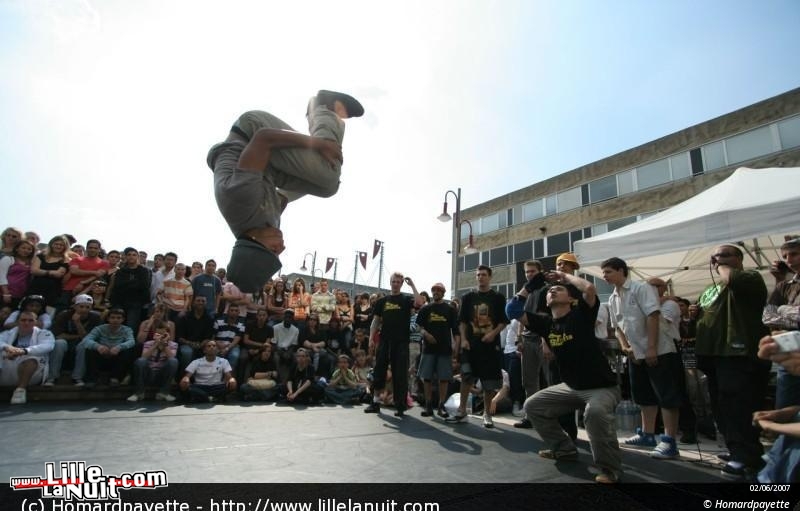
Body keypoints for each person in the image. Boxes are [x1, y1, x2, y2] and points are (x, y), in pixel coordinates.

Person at [207, 90, 364, 293]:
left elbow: (263, 138)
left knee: (328, 172)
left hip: (252, 132)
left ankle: (322, 109)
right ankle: (318, 152)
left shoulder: (240, 199)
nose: (282, 247)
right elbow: (288, 195)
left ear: (254, 242)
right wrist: (287, 194)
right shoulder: (267, 226)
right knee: (328, 188)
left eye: (274, 250)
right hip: (267, 169)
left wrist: (320, 144)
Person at [507, 270, 622, 484]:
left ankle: (610, 468)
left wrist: (563, 276)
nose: (552, 290)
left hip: (601, 388)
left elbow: (588, 289)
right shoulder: (545, 323)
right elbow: (512, 309)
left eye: (559, 290)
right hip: (571, 387)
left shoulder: (581, 315)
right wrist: (532, 285)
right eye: (550, 290)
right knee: (532, 406)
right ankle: (564, 449)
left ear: (570, 298)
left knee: (594, 413)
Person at [693, 244, 771, 480]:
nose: (718, 260)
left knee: (739, 406)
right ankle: (735, 449)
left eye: (725, 256)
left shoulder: (749, 277)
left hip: (738, 353)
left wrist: (724, 267)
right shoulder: (710, 288)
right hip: (714, 355)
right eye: (715, 257)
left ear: (739, 258)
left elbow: (731, 280)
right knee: (721, 405)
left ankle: (747, 456)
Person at [602, 257, 681, 460]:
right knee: (644, 395)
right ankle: (647, 435)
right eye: (604, 272)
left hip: (659, 350)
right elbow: (618, 327)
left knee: (666, 395)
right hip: (635, 354)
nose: (604, 276)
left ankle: (669, 441)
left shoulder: (640, 288)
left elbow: (652, 316)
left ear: (622, 271)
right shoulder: (612, 298)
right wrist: (625, 347)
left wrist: (652, 348)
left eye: (609, 271)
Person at [447, 266, 507, 428]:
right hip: (470, 346)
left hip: (490, 346)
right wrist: (464, 340)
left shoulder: (498, 298)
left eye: (484, 275)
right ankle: (461, 411)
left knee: (488, 382)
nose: (481, 277)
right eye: (478, 275)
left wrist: (493, 334)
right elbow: (462, 321)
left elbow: (503, 321)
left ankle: (487, 414)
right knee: (466, 378)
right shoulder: (468, 297)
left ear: (490, 277)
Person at [364, 273, 422, 417]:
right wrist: (371, 338)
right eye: (393, 281)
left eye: (398, 282)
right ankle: (375, 402)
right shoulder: (382, 301)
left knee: (400, 373)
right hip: (384, 340)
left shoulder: (406, 299)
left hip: (401, 341)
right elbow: (375, 321)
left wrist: (412, 285)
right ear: (390, 283)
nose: (395, 284)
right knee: (379, 371)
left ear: (401, 284)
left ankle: (400, 405)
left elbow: (420, 303)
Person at [415, 282, 459, 418]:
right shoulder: (425, 309)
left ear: (443, 293)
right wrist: (426, 334)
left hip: (445, 349)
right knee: (426, 378)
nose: (436, 292)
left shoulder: (450, 309)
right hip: (428, 349)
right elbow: (418, 327)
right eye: (434, 290)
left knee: (444, 379)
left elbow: (456, 331)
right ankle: (428, 406)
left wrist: (456, 346)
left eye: (439, 290)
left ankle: (441, 406)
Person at [0, 310, 55, 404]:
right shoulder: (7, 333)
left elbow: (47, 346)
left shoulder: (45, 333)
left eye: (30, 320)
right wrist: (8, 347)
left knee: (32, 359)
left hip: (32, 373)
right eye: (23, 320)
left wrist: (24, 351)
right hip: (7, 368)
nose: (27, 323)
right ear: (18, 322)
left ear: (36, 322)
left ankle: (20, 391)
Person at [48, 294, 103, 386]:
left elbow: (88, 338)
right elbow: (58, 335)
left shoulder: (95, 317)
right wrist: (78, 336)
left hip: (80, 342)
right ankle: (52, 377)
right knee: (59, 343)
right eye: (81, 306)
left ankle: (77, 378)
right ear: (75, 306)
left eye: (87, 307)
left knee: (84, 344)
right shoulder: (64, 315)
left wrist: (77, 323)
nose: (84, 310)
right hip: (65, 342)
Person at [82, 308, 136, 387]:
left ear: (123, 319)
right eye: (113, 317)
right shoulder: (100, 328)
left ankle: (115, 378)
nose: (115, 320)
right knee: (90, 350)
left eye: (118, 318)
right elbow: (86, 340)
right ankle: (92, 379)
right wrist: (98, 346)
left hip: (117, 359)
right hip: (101, 356)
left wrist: (119, 347)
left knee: (127, 351)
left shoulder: (127, 330)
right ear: (108, 319)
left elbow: (131, 341)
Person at [128, 322, 178, 402]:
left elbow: (172, 358)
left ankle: (164, 393)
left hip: (162, 374)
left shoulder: (173, 345)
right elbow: (143, 358)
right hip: (149, 373)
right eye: (158, 334)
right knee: (140, 361)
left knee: (173, 361)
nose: (161, 336)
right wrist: (155, 345)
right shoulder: (148, 343)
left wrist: (164, 345)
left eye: (163, 334)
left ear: (167, 334)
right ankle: (139, 393)